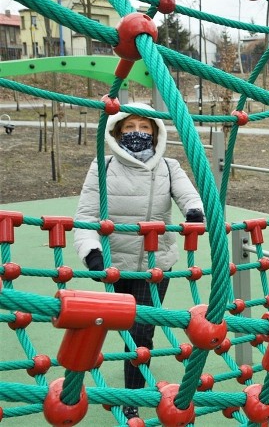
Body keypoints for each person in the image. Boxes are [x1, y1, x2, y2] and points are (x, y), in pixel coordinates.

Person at [73, 103, 203, 420]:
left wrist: (194, 213)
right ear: (117, 132)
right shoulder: (101, 167)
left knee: (142, 330)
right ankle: (133, 370)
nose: (137, 133)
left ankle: (131, 396)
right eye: (130, 127)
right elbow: (86, 215)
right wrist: (91, 252)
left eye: (145, 127)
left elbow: (189, 196)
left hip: (155, 265)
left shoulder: (169, 167)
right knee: (126, 325)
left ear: (156, 133)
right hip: (115, 262)